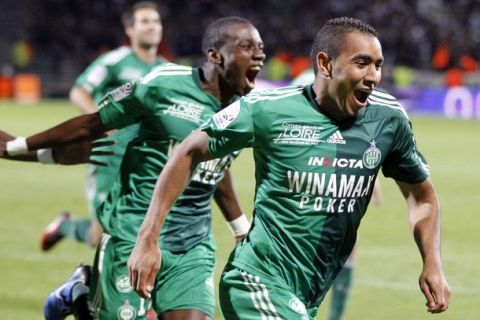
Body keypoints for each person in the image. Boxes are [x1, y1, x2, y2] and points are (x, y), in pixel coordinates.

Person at [127, 17, 450, 319]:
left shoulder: (388, 120)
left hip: (306, 295)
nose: (373, 76)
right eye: (362, 63)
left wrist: (432, 263)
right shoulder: (266, 110)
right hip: (254, 281)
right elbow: (187, 151)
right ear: (325, 64)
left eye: (377, 65)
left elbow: (421, 197)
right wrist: (148, 238)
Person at [0, 16, 265, 320]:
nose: (259, 54)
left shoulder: (246, 109)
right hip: (133, 231)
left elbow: (214, 166)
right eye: (247, 46)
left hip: (192, 243)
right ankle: (82, 297)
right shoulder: (163, 83)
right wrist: (20, 145)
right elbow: (92, 123)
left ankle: (86, 295)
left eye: (260, 47)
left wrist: (240, 228)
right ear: (216, 55)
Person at [40, 1, 168, 252]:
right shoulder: (114, 62)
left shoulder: (166, 70)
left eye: (156, 21)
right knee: (100, 236)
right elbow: (79, 91)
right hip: (109, 156)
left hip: (148, 160)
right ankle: (65, 227)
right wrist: (99, 123)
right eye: (145, 21)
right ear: (130, 30)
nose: (152, 26)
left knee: (139, 231)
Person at [292, 67, 383, 320]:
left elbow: (361, 134)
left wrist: (367, 174)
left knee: (348, 239)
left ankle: (335, 316)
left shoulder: (352, 88)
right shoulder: (303, 84)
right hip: (307, 176)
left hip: (340, 169)